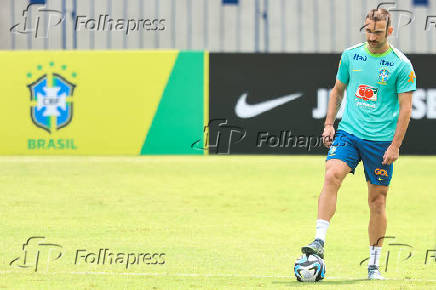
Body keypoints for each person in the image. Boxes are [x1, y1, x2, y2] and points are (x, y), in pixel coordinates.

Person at [300, 8, 416, 280]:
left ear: (389, 31)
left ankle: (373, 265)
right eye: (368, 30)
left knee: (377, 200)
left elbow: (406, 109)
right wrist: (329, 124)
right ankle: (319, 240)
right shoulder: (351, 55)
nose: (372, 36)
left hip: (381, 142)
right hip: (349, 133)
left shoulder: (401, 65)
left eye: (378, 32)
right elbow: (337, 91)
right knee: (332, 175)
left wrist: (395, 145)